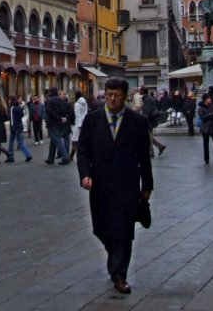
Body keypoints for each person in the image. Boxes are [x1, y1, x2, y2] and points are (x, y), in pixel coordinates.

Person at [76, 77, 154, 295]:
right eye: (108, 94)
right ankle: (115, 259)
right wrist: (85, 175)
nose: (111, 98)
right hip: (100, 183)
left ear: (125, 96)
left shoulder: (137, 122)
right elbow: (83, 151)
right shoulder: (93, 120)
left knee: (123, 230)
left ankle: (119, 274)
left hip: (127, 183)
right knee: (101, 229)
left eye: (116, 95)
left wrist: (147, 185)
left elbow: (144, 156)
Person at [44, 89, 71, 164]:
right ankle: (50, 158)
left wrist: (58, 118)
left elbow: (50, 111)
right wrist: (62, 117)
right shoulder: (60, 100)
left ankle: (65, 157)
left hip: (52, 122)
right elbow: (65, 109)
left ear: (50, 92)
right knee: (54, 140)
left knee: (57, 140)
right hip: (59, 122)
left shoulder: (49, 100)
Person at [138, 87, 167, 156]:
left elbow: (147, 111)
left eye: (139, 90)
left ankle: (151, 152)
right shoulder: (147, 98)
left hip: (148, 121)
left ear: (142, 91)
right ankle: (160, 146)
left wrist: (142, 120)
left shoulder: (147, 99)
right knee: (148, 135)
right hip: (149, 120)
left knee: (148, 136)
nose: (139, 91)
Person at [8, 95, 33, 162]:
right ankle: (28, 155)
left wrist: (12, 128)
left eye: (10, 100)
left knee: (11, 142)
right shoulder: (18, 107)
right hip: (20, 127)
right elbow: (22, 115)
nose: (9, 101)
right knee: (21, 143)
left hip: (14, 128)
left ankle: (10, 157)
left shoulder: (12, 108)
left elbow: (12, 119)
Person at [69, 91, 89, 160]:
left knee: (75, 140)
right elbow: (85, 113)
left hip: (78, 124)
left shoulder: (77, 104)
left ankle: (72, 156)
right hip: (84, 123)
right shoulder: (85, 103)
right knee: (82, 140)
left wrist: (79, 124)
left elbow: (77, 115)